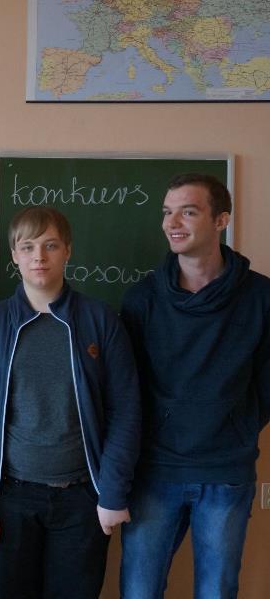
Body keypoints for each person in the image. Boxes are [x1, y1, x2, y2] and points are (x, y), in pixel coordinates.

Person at [0, 206, 141, 598]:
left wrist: (112, 492)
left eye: (50, 245)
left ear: (67, 250)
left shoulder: (100, 320)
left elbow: (126, 411)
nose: (39, 256)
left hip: (84, 499)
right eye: (28, 246)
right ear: (14, 255)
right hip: (8, 498)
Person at [119, 173, 270, 598]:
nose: (172, 223)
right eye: (167, 212)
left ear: (221, 219)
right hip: (154, 471)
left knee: (216, 591)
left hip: (225, 471)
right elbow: (128, 388)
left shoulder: (261, 297)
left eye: (188, 212)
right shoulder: (142, 299)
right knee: (139, 590)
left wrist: (238, 424)